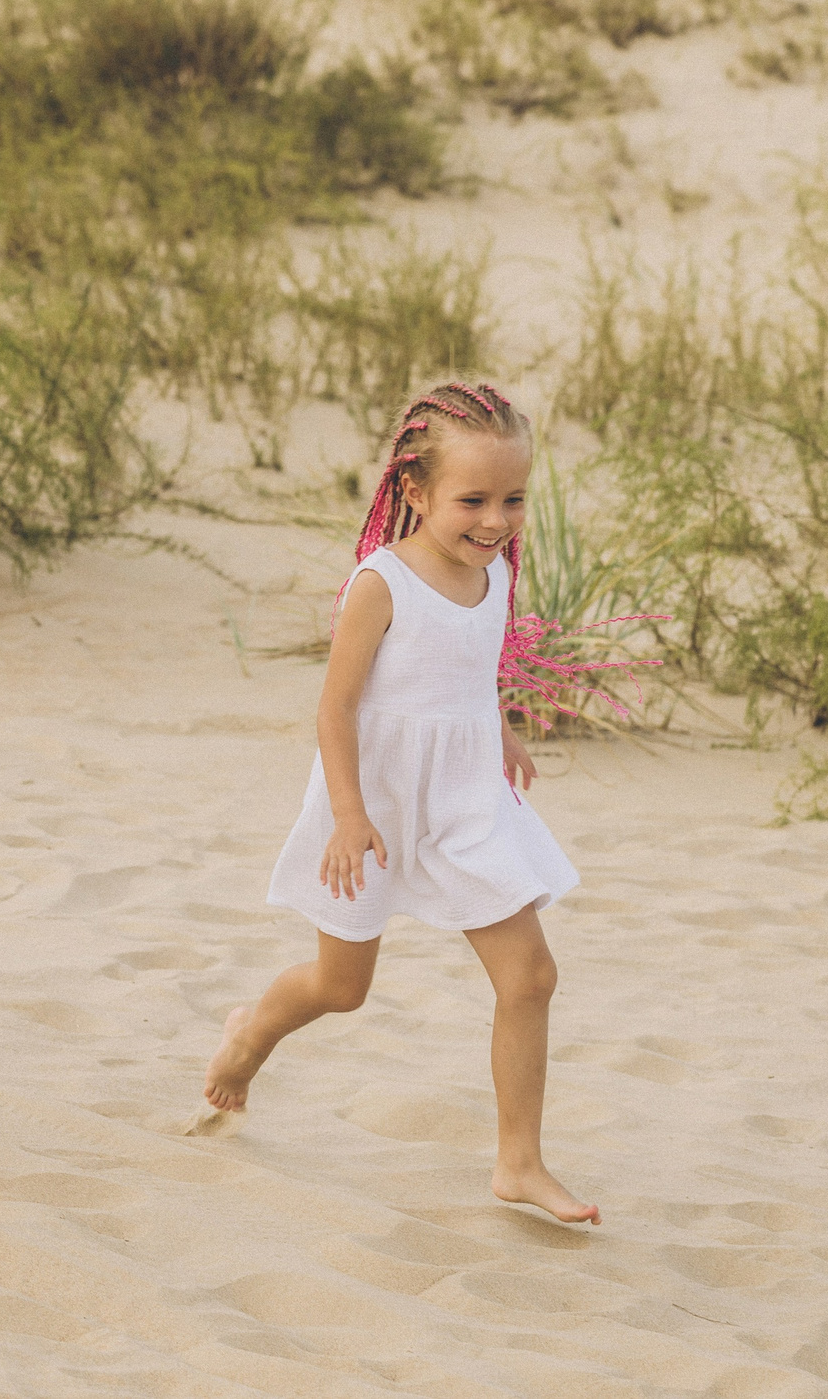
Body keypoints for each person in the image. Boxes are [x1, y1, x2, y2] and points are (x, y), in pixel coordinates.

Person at [201, 380, 600, 1226]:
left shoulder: (492, 577)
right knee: (342, 988)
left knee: (531, 975)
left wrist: (498, 731)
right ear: (413, 491)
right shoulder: (381, 583)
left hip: (464, 800)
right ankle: (249, 1036)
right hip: (374, 806)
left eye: (514, 499)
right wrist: (349, 814)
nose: (495, 521)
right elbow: (335, 707)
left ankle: (518, 1163)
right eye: (473, 500)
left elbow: (470, 670)